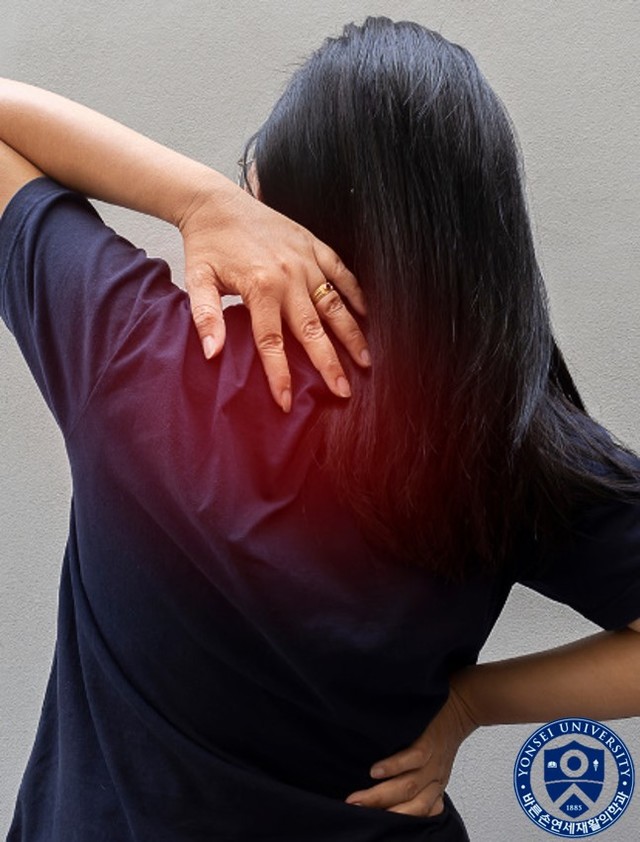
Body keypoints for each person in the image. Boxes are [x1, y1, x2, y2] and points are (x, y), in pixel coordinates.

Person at [1, 16, 639, 842]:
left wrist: (199, 201)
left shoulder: (137, 352)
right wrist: (471, 704)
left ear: (281, 209)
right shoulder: (507, 438)